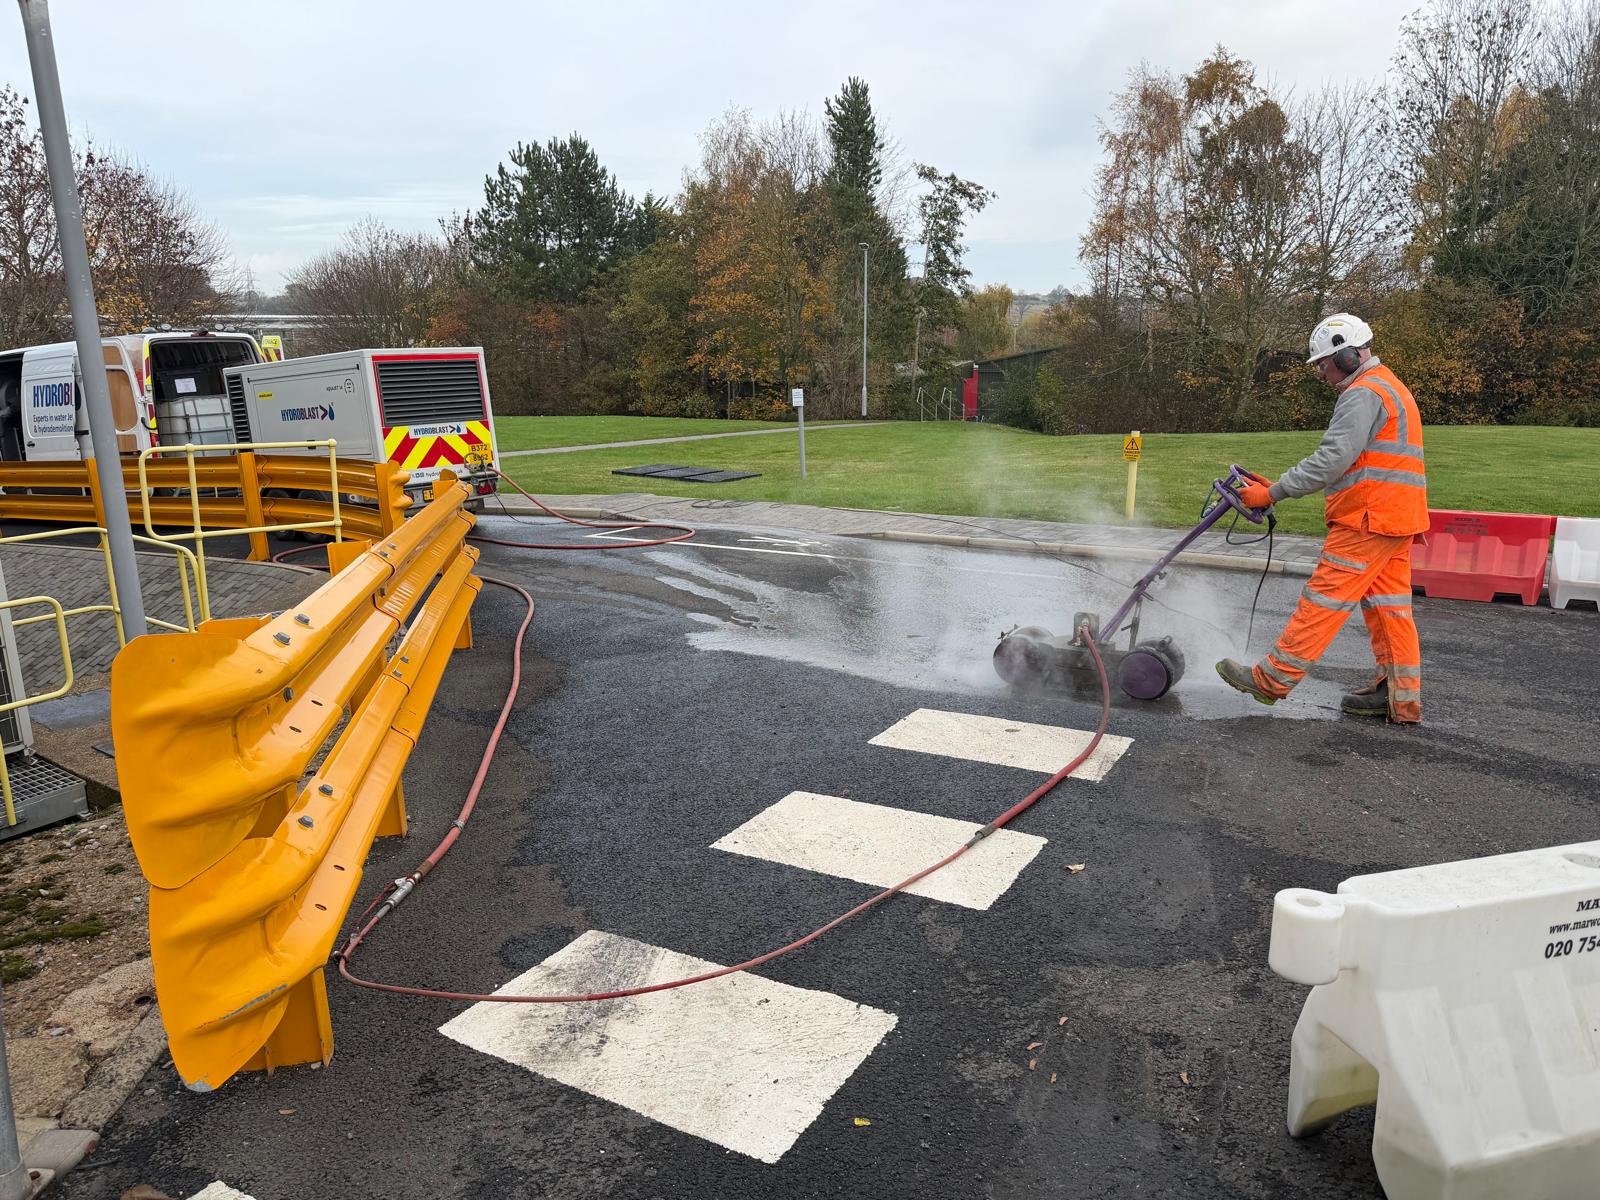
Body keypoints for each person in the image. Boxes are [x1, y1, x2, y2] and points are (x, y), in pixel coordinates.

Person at [1215, 314, 1428, 723]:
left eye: (1324, 364)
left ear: (1348, 357)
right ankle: (1398, 697)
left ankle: (1271, 680)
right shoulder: (1390, 385)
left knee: (1322, 600)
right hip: (1397, 519)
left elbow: (1331, 460)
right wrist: (1277, 484)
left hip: (1367, 520)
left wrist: (1272, 493)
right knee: (1390, 610)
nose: (1321, 373)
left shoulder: (1363, 393)